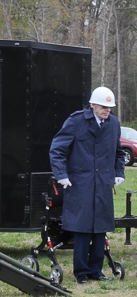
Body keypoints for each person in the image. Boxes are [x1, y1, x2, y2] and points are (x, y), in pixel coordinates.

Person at [49, 86, 126, 284]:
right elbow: (57, 149)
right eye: (104, 107)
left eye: (110, 107)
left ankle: (96, 271)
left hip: (103, 183)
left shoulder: (113, 123)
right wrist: (61, 174)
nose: (108, 110)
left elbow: (119, 152)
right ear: (93, 105)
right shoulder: (76, 121)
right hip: (81, 182)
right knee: (82, 228)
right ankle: (81, 272)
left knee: (100, 228)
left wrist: (119, 172)